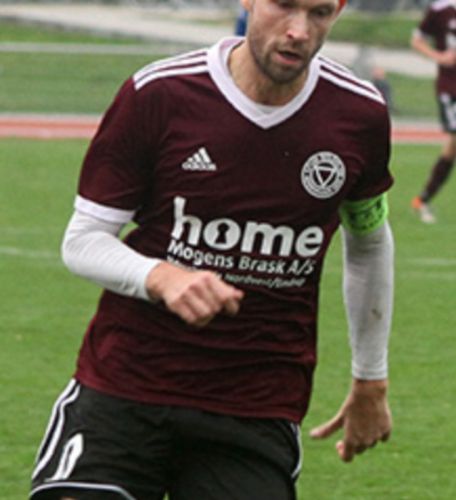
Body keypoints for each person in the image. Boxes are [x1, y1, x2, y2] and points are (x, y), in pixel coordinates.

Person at [30, 0, 394, 499]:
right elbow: (83, 240)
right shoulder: (159, 93)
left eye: (319, 12)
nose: (298, 30)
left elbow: (369, 242)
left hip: (254, 407)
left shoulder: (359, 114)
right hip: (124, 388)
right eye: (284, 5)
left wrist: (371, 378)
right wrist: (161, 277)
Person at [410, 0, 456, 223]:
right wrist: (439, 57)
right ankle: (423, 200)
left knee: (451, 149)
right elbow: (416, 40)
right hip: (450, 88)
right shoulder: (440, 10)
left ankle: (423, 199)